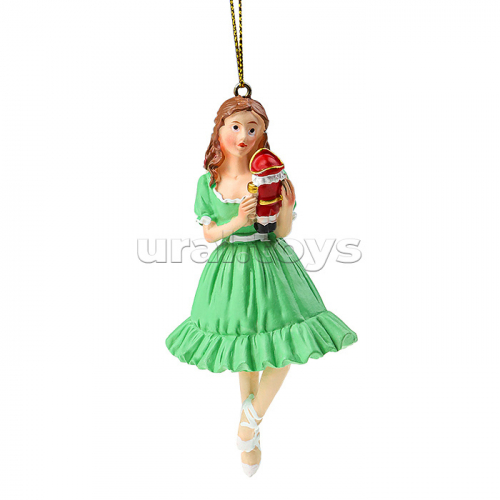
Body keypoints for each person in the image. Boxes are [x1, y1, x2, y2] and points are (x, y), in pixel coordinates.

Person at [165, 95, 358, 476]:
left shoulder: (270, 176)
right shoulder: (209, 182)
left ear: (263, 134)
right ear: (219, 130)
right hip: (230, 269)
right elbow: (209, 234)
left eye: (252, 129)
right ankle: (251, 436)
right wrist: (237, 221)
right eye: (235, 127)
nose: (243, 136)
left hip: (271, 264)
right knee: (245, 343)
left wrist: (284, 208)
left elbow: (282, 232)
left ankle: (249, 420)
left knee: (282, 345)